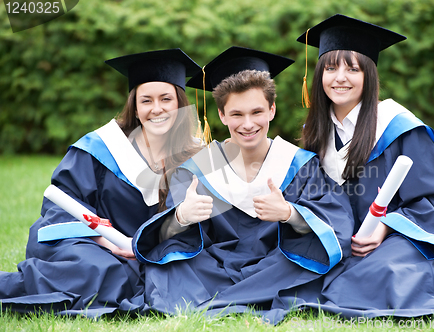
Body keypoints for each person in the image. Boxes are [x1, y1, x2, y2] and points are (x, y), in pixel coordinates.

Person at [269, 14, 434, 319]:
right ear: (319, 76)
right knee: (289, 271)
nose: (340, 77)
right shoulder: (316, 135)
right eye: (330, 67)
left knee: (378, 275)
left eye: (352, 68)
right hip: (343, 244)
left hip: (402, 240)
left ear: (369, 74)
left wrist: (387, 226)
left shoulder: (398, 127)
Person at [131, 46, 354, 321]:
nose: (248, 124)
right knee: (169, 260)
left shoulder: (300, 164)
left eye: (257, 112)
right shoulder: (198, 169)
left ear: (272, 110)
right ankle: (255, 296)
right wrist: (180, 218)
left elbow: (336, 223)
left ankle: (215, 301)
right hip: (216, 267)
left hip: (277, 263)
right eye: (236, 114)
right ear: (222, 116)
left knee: (308, 256)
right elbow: (164, 237)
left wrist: (290, 214)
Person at [0, 49, 201, 316]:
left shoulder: (195, 154)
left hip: (151, 254)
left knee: (173, 276)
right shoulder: (102, 147)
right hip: (93, 245)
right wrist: (106, 241)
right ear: (135, 107)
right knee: (105, 272)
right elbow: (62, 207)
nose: (157, 109)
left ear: (180, 104)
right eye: (146, 100)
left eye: (166, 99)